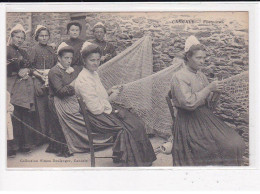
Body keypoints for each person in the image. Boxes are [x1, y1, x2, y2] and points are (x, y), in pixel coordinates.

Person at [74, 41, 156, 166]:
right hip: (96, 118)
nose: (96, 63)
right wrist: (111, 99)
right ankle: (134, 161)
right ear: (84, 61)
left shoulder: (93, 73)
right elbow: (95, 108)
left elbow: (98, 97)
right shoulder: (84, 79)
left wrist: (109, 91)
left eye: (97, 59)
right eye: (92, 60)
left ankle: (136, 158)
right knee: (132, 126)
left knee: (136, 121)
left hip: (101, 111)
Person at [170, 35, 245, 166]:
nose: (202, 61)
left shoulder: (201, 75)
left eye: (204, 58)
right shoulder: (179, 77)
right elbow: (189, 104)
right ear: (188, 57)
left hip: (205, 116)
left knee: (236, 141)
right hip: (188, 121)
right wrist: (209, 88)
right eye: (198, 58)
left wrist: (216, 93)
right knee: (220, 146)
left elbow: (209, 106)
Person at [7, 24, 35, 154]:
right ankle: (12, 146)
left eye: (22, 38)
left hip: (24, 85)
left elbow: (29, 66)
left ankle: (25, 144)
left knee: (25, 113)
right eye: (17, 37)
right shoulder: (6, 50)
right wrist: (16, 71)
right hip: (10, 84)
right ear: (11, 37)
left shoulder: (23, 52)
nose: (19, 40)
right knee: (13, 113)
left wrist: (27, 70)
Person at [28, 25, 57, 144]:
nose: (44, 38)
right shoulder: (34, 49)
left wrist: (50, 75)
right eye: (41, 36)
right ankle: (41, 137)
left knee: (50, 108)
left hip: (50, 80)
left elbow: (55, 64)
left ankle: (51, 135)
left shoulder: (51, 49)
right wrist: (40, 75)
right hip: (38, 79)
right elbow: (30, 67)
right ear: (37, 37)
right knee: (40, 109)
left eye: (46, 36)